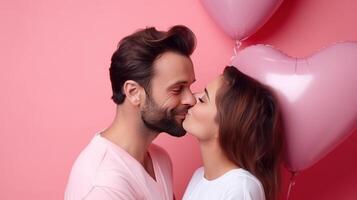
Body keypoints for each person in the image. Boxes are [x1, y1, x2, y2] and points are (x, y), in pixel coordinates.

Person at [65, 25, 197, 200]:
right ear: (134, 92)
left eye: (189, 87)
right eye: (177, 89)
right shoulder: (103, 186)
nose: (191, 99)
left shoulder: (160, 159)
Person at [182, 66, 283, 200]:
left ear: (225, 126)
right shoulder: (198, 176)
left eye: (203, 100)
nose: (192, 98)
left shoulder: (241, 187)